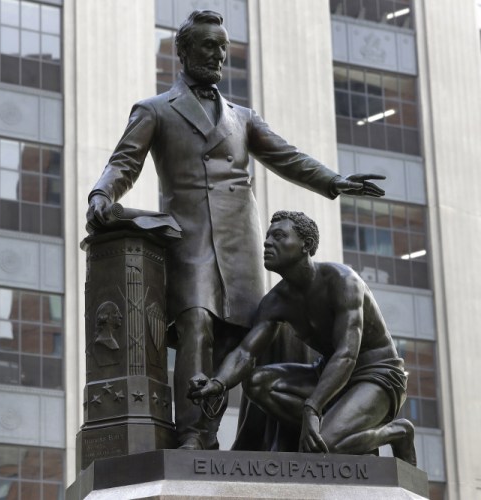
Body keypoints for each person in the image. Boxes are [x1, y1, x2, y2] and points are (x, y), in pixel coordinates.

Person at [86, 10, 385, 450]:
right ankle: (193, 435)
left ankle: (248, 440)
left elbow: (288, 156)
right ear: (183, 51)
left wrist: (332, 181)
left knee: (246, 336)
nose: (218, 55)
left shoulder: (242, 117)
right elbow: (124, 162)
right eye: (208, 46)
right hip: (189, 239)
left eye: (223, 47)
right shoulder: (154, 110)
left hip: (242, 242)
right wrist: (101, 194)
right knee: (197, 324)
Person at [189, 211, 416, 464]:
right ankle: (340, 428)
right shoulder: (276, 301)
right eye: (267, 237)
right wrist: (218, 383)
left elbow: (347, 354)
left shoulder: (342, 281)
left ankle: (397, 432)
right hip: (327, 375)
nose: (267, 243)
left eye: (278, 236)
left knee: (324, 446)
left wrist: (312, 407)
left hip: (376, 375)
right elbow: (246, 353)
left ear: (305, 245)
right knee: (257, 382)